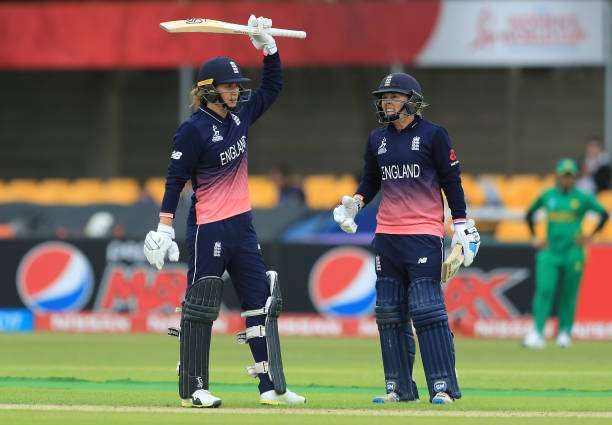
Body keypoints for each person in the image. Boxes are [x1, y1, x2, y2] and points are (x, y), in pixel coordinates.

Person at [143, 15, 305, 408]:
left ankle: (269, 386)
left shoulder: (241, 115)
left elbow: (273, 86)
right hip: (210, 227)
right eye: (229, 86)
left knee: (261, 301)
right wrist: (164, 227)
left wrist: (268, 48)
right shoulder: (193, 129)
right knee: (202, 304)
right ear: (209, 90)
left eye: (237, 86)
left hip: (242, 226)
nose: (236, 91)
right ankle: (194, 388)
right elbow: (174, 177)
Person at [333, 73, 480, 404]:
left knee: (426, 309)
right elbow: (371, 180)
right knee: (388, 311)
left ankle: (443, 386)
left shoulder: (434, 136)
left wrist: (460, 224)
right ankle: (398, 387)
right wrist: (354, 204)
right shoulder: (376, 139)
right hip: (387, 235)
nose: (386, 103)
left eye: (394, 97)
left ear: (412, 101)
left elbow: (451, 181)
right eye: (384, 98)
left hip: (424, 233)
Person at [523, 158, 609, 349]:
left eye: (570, 176)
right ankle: (538, 332)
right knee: (545, 291)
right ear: (558, 176)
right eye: (564, 176)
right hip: (550, 252)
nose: (567, 180)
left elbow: (604, 214)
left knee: (568, 294)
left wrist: (589, 236)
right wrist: (535, 237)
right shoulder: (548, 196)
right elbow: (529, 215)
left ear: (575, 177)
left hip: (573, 253)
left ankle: (564, 333)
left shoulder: (582, 198)